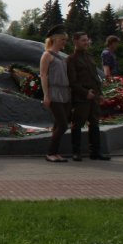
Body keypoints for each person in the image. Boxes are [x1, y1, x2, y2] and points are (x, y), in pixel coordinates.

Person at [66, 32, 111, 161]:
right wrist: (85, 93)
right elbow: (72, 81)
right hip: (81, 98)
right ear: (75, 42)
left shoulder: (89, 56)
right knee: (77, 124)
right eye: (83, 40)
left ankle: (95, 152)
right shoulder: (71, 59)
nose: (86, 43)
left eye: (87, 40)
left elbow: (95, 77)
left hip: (94, 96)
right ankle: (76, 152)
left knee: (95, 123)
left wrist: (100, 94)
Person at [40, 25, 71, 162]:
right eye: (62, 39)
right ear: (55, 39)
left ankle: (55, 152)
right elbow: (43, 75)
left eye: (65, 39)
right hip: (54, 92)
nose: (65, 42)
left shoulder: (61, 56)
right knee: (63, 124)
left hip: (65, 93)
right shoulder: (47, 55)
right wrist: (46, 95)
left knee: (59, 124)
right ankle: (50, 153)